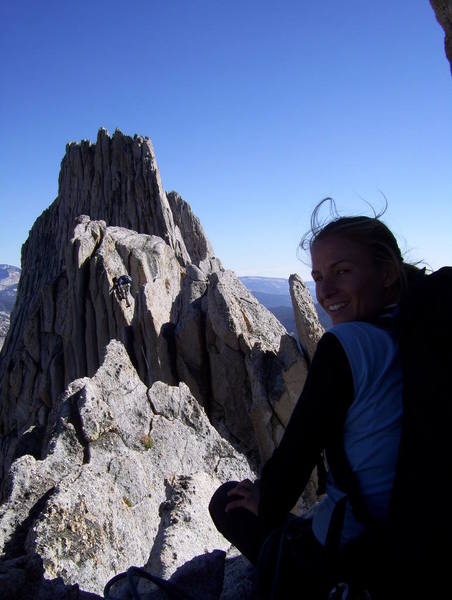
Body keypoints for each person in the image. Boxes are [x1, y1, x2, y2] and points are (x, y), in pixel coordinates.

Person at [209, 199, 418, 599]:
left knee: (227, 503)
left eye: (342, 272)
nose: (326, 291)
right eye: (319, 276)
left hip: (356, 552)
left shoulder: (346, 344)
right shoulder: (408, 334)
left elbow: (300, 446)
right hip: (409, 531)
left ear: (387, 272)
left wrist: (267, 497)